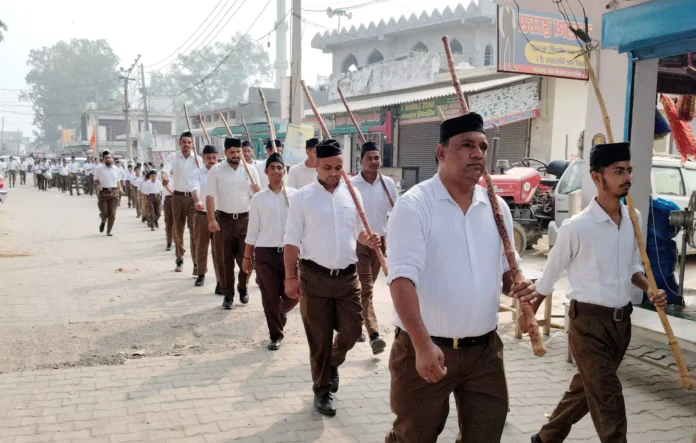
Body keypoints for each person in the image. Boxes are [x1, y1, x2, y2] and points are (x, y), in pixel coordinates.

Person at [384, 113, 534, 442]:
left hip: (484, 351)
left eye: (482, 146)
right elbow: (401, 281)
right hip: (425, 348)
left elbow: (506, 275)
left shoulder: (497, 209)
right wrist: (422, 345)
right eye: (466, 145)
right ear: (441, 153)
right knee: (415, 435)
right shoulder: (414, 206)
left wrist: (520, 287)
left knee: (486, 433)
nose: (477, 153)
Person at [527, 143, 668, 443]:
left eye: (628, 170)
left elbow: (632, 266)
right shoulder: (576, 227)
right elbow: (548, 277)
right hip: (587, 325)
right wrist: (531, 316)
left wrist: (650, 290)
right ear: (596, 177)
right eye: (618, 171)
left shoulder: (634, 218)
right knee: (608, 397)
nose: (626, 177)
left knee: (586, 389)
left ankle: (545, 438)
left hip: (621, 325)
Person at [283, 139, 382, 417]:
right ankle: (322, 391)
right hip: (314, 277)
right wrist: (291, 278)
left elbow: (360, 231)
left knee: (352, 332)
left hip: (348, 279)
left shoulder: (352, 193)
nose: (335, 172)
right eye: (328, 167)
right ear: (316, 165)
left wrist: (369, 238)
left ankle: (334, 363)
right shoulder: (302, 198)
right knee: (320, 339)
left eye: (339, 166)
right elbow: (291, 241)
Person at [244, 152, 298, 350]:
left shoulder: (294, 196)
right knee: (269, 296)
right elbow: (253, 229)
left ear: (284, 171)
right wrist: (247, 256)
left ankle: (280, 311)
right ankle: (275, 334)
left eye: (279, 167)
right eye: (272, 167)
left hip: (290, 252)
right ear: (265, 172)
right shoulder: (258, 198)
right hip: (265, 253)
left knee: (294, 294)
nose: (276, 171)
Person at [350, 141, 398, 354]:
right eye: (369, 158)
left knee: (363, 290)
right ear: (360, 161)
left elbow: (397, 214)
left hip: (380, 243)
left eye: (377, 158)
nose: (373, 162)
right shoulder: (351, 186)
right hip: (359, 243)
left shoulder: (388, 184)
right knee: (366, 288)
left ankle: (356, 323)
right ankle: (374, 335)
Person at [206, 137, 261, 310]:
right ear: (225, 153)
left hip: (246, 220)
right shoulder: (216, 170)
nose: (236, 155)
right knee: (225, 261)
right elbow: (209, 196)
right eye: (232, 152)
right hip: (224, 221)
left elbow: (257, 197)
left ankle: (243, 288)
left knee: (247, 259)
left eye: (238, 151)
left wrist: (257, 191)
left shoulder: (250, 170)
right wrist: (211, 219)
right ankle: (228, 295)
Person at [162, 132, 202, 273]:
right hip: (177, 197)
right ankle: (179, 260)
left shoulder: (198, 160)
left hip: (193, 199)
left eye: (189, 142)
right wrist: (165, 177)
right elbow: (165, 169)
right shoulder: (173, 157)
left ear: (192, 144)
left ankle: (197, 264)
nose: (186, 145)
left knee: (194, 232)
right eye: (184, 142)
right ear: (180, 143)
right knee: (177, 231)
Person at [190, 145, 222, 291]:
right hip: (202, 215)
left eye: (214, 157)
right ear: (203, 158)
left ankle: (220, 281)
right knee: (201, 245)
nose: (211, 160)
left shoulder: (223, 172)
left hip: (219, 216)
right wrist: (197, 200)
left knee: (219, 250)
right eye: (208, 158)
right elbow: (195, 188)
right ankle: (201, 273)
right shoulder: (197, 173)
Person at [93, 150, 122, 236]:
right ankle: (103, 221)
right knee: (104, 212)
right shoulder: (99, 169)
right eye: (106, 158)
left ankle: (109, 230)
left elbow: (118, 181)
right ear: (104, 159)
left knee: (112, 213)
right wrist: (98, 185)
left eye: (110, 158)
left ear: (112, 159)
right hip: (103, 192)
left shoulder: (117, 169)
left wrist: (120, 189)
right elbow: (96, 179)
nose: (108, 159)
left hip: (114, 193)